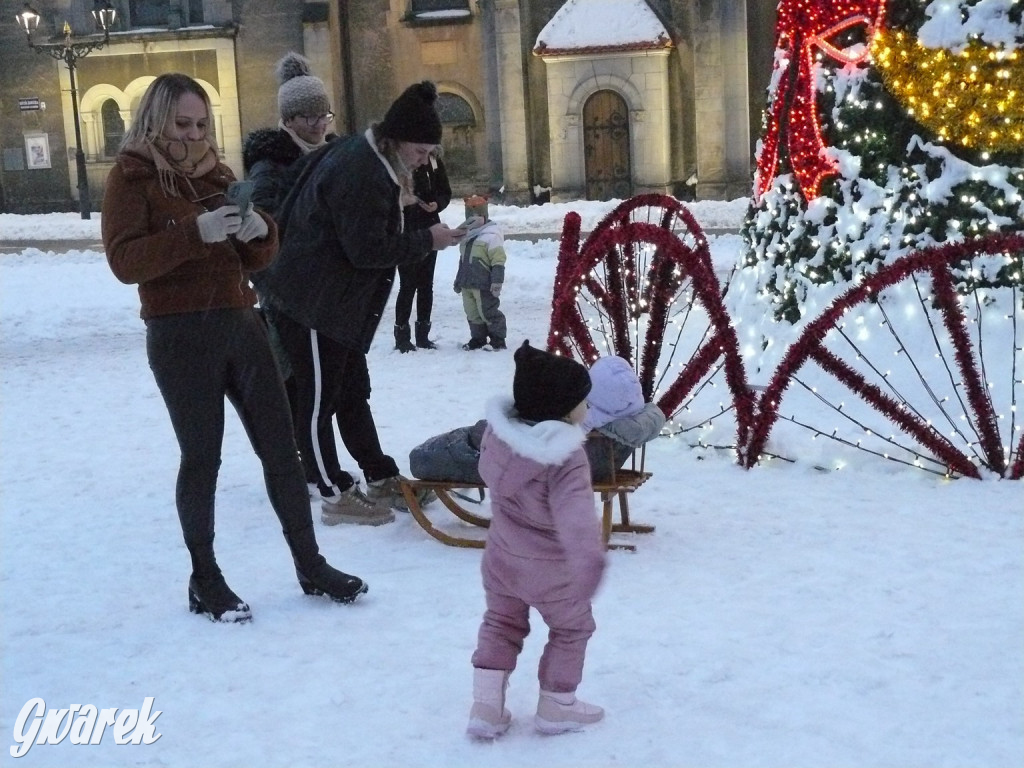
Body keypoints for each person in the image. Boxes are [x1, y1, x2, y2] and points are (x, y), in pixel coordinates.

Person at [101, 73, 368, 623]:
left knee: (281, 451)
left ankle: (310, 563)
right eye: (183, 124)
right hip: (179, 336)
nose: (195, 135)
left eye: (202, 124)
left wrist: (256, 231)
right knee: (203, 456)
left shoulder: (219, 174)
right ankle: (206, 578)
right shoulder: (131, 178)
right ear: (155, 120)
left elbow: (259, 258)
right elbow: (125, 262)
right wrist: (191, 233)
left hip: (241, 326)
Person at [256, 80, 465, 526]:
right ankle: (333, 493)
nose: (425, 161)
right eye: (421, 152)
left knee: (351, 393)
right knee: (316, 399)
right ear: (396, 140)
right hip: (310, 300)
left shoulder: (370, 159)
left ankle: (378, 474)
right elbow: (365, 249)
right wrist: (427, 238)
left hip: (337, 303)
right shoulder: (364, 170)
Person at [467, 341, 606, 739]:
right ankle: (556, 706)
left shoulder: (498, 438)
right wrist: (590, 562)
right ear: (562, 409)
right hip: (552, 572)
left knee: (501, 622)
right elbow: (575, 517)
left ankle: (486, 708)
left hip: (501, 560)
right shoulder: (564, 456)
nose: (587, 408)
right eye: (583, 401)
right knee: (572, 629)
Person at [243, 51, 337, 485]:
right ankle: (311, 471)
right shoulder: (270, 165)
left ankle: (317, 465)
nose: (320, 124)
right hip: (290, 293)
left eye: (324, 114)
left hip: (327, 292)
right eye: (309, 116)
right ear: (288, 120)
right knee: (300, 387)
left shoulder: (332, 155)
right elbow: (264, 229)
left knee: (325, 388)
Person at [409, 354, 665, 484]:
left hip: (519, 459)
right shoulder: (630, 417)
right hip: (576, 462)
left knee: (444, 451)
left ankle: (431, 463)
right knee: (479, 433)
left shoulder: (586, 433)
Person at [395, 149, 452, 352]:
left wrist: (437, 204)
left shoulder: (435, 162)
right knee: (408, 284)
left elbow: (445, 191)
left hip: (431, 228)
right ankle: (402, 336)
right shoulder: (402, 160)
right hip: (408, 229)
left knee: (426, 284)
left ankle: (423, 335)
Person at [454, 195, 507, 350]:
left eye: (477, 216)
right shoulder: (465, 236)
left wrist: (497, 281)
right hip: (467, 283)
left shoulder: (491, 235)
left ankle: (498, 339)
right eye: (470, 217)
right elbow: (462, 261)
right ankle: (478, 338)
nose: (474, 220)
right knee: (472, 313)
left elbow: (498, 261)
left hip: (484, 283)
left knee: (488, 311)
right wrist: (458, 280)